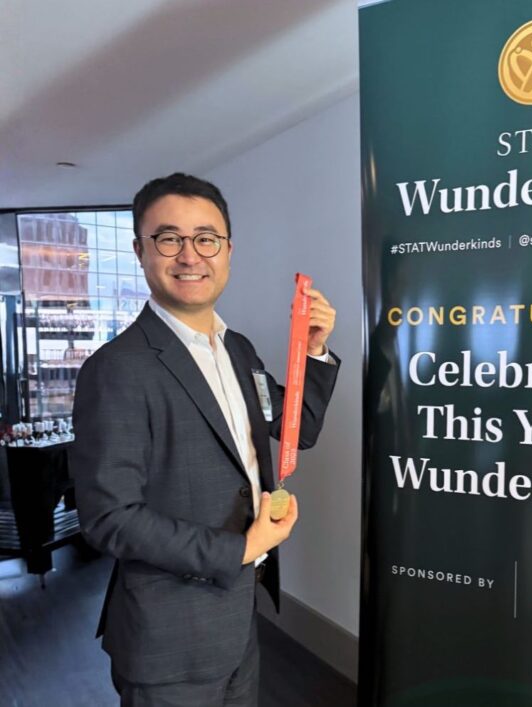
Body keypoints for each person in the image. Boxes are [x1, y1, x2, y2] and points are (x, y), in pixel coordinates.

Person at [70, 173, 339, 706]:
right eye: (168, 239)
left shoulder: (237, 350)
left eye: (206, 238)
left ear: (228, 250)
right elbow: (110, 517)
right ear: (140, 251)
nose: (190, 255)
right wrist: (243, 547)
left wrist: (311, 352)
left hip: (238, 619)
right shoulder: (117, 369)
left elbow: (295, 430)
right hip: (169, 639)